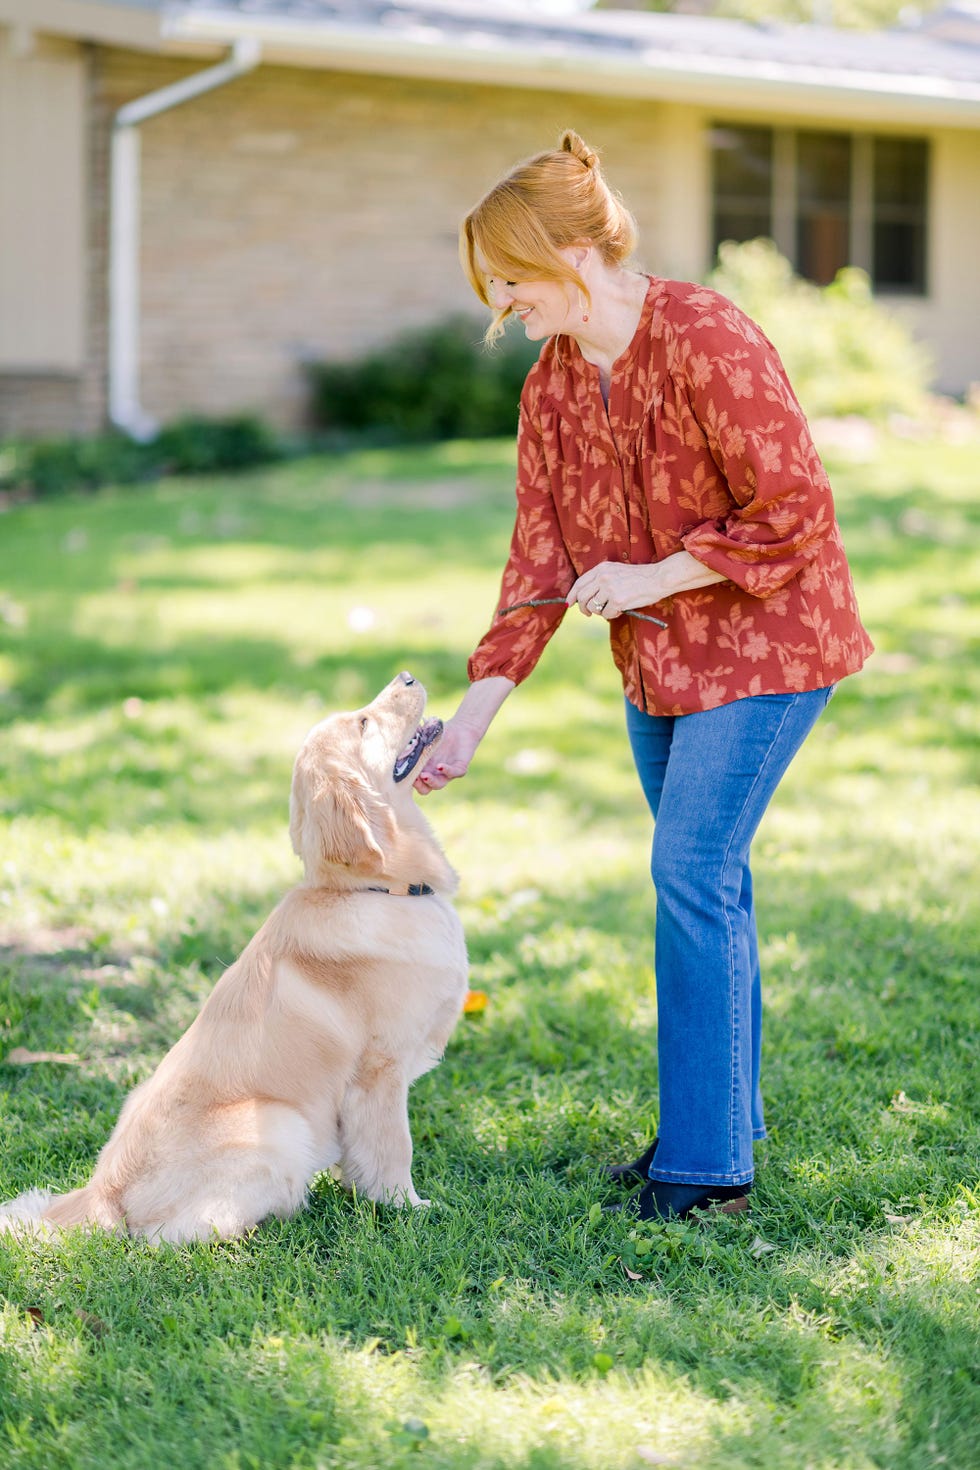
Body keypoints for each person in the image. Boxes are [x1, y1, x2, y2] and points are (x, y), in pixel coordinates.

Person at [414, 130, 873, 1222]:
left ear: (574, 256)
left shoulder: (705, 336)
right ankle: (715, 1121)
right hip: (659, 669)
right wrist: (471, 719)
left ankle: (706, 1172)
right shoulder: (554, 388)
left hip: (769, 646)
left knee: (689, 870)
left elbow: (794, 509)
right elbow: (537, 560)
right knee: (707, 882)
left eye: (513, 282)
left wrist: (650, 572)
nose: (504, 307)